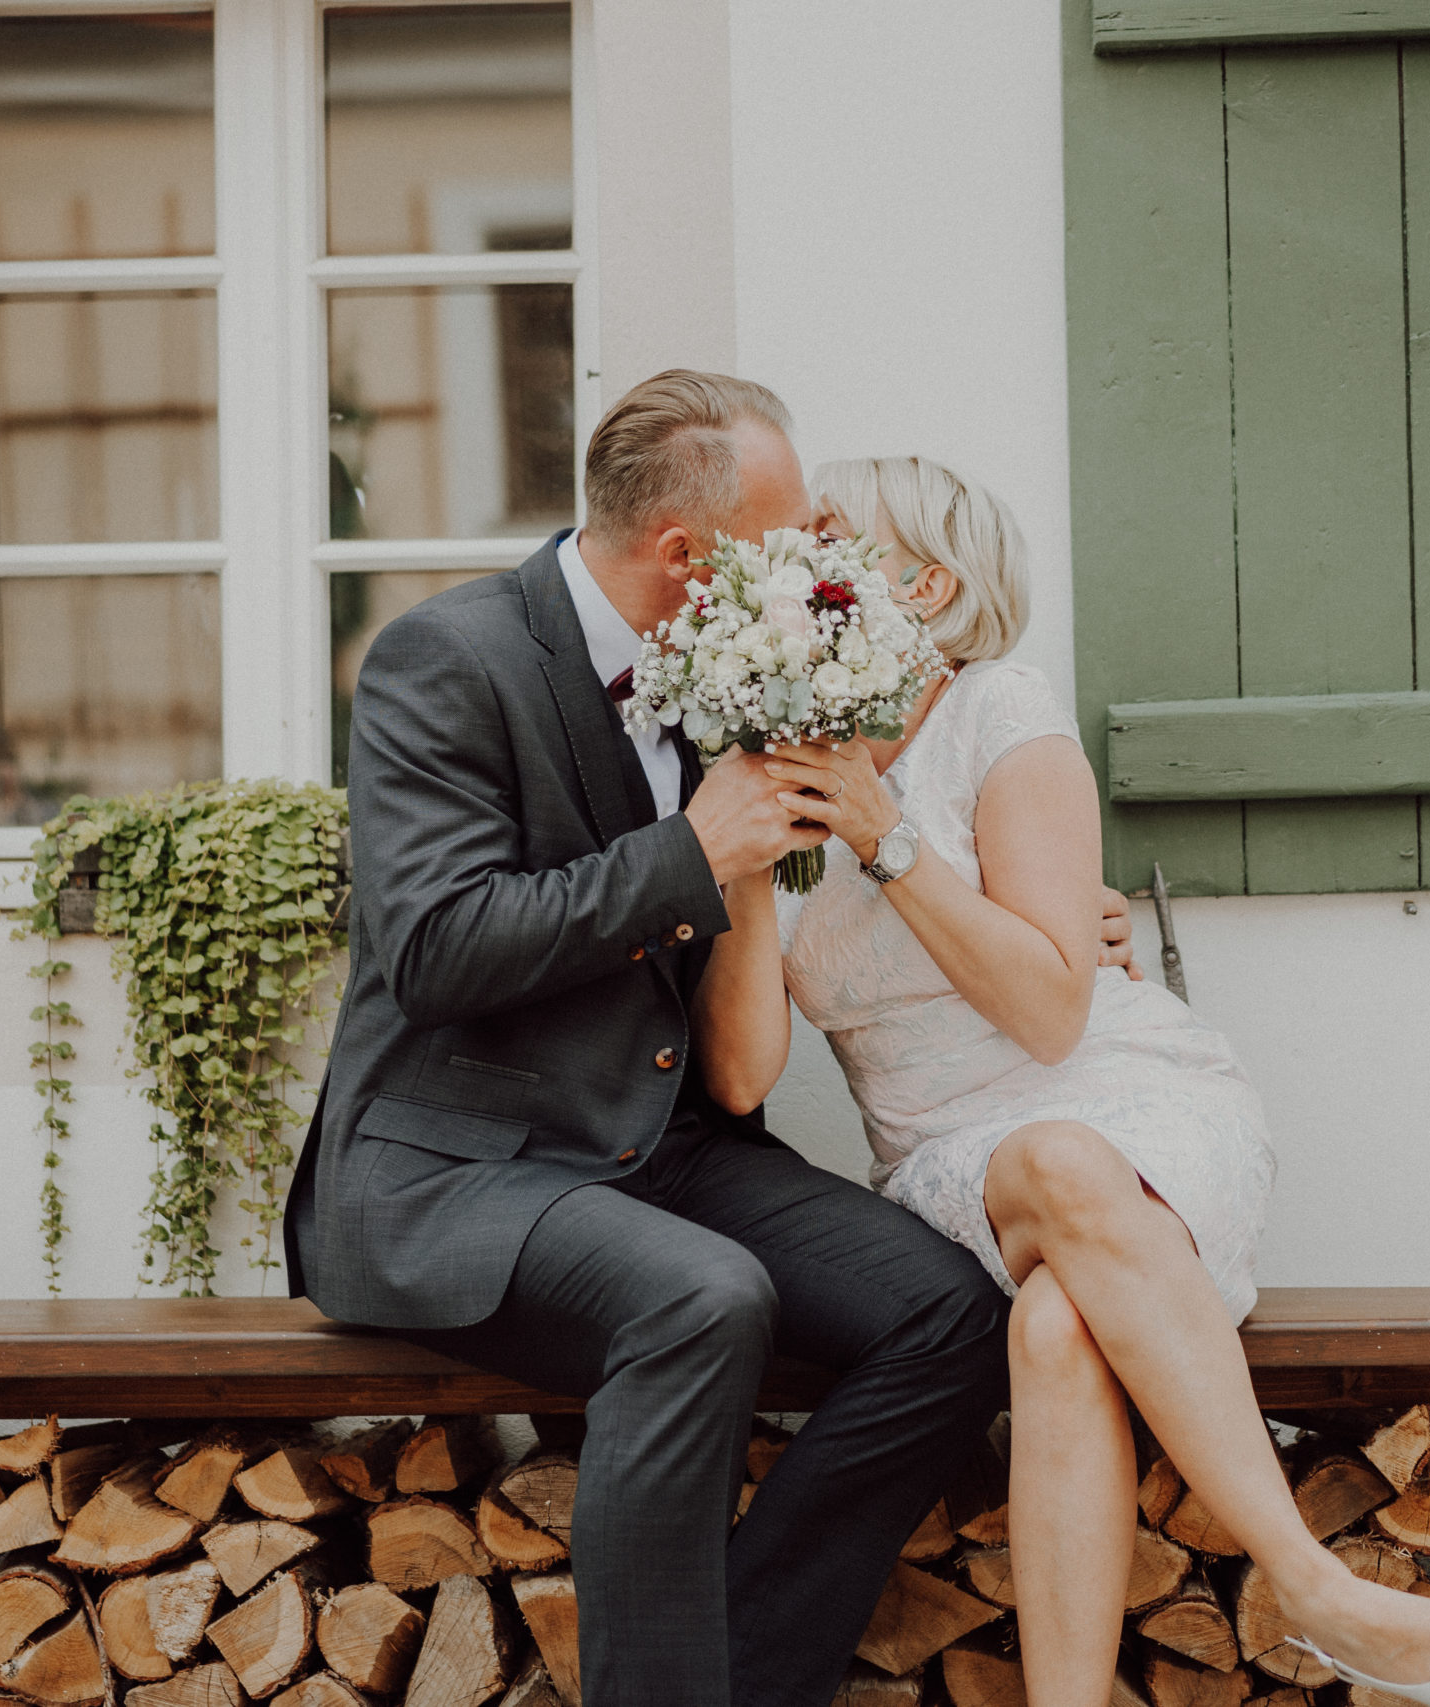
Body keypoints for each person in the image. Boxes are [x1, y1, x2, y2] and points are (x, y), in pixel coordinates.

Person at [690, 455, 1430, 1707]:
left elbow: (1047, 1011)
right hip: (946, 1156)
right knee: (1046, 1192)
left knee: (1055, 1314)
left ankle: (1274, 1605)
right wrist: (745, 857)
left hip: (1138, 1099)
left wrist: (886, 835)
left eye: (829, 538)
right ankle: (1317, 1588)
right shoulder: (767, 768)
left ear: (922, 584)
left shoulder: (998, 714)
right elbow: (746, 1078)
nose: (796, 564)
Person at [283, 373, 1016, 1707]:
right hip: (458, 1166)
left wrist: (1047, 912)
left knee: (953, 1312)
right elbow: (435, 946)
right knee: (699, 1296)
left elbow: (837, 853)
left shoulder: (732, 663)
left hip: (658, 1143)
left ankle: (719, 1677)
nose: (808, 563)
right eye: (785, 534)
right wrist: (688, 851)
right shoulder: (447, 657)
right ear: (686, 551)